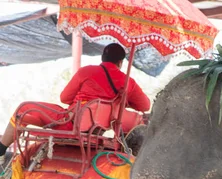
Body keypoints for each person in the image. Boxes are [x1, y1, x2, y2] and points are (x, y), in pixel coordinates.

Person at [0, 43, 151, 167]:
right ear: (120, 62)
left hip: (69, 123)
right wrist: (122, 101)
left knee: (23, 109)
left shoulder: (87, 71)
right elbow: (145, 105)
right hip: (95, 131)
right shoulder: (127, 82)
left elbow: (64, 98)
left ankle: (1, 152)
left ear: (102, 58)